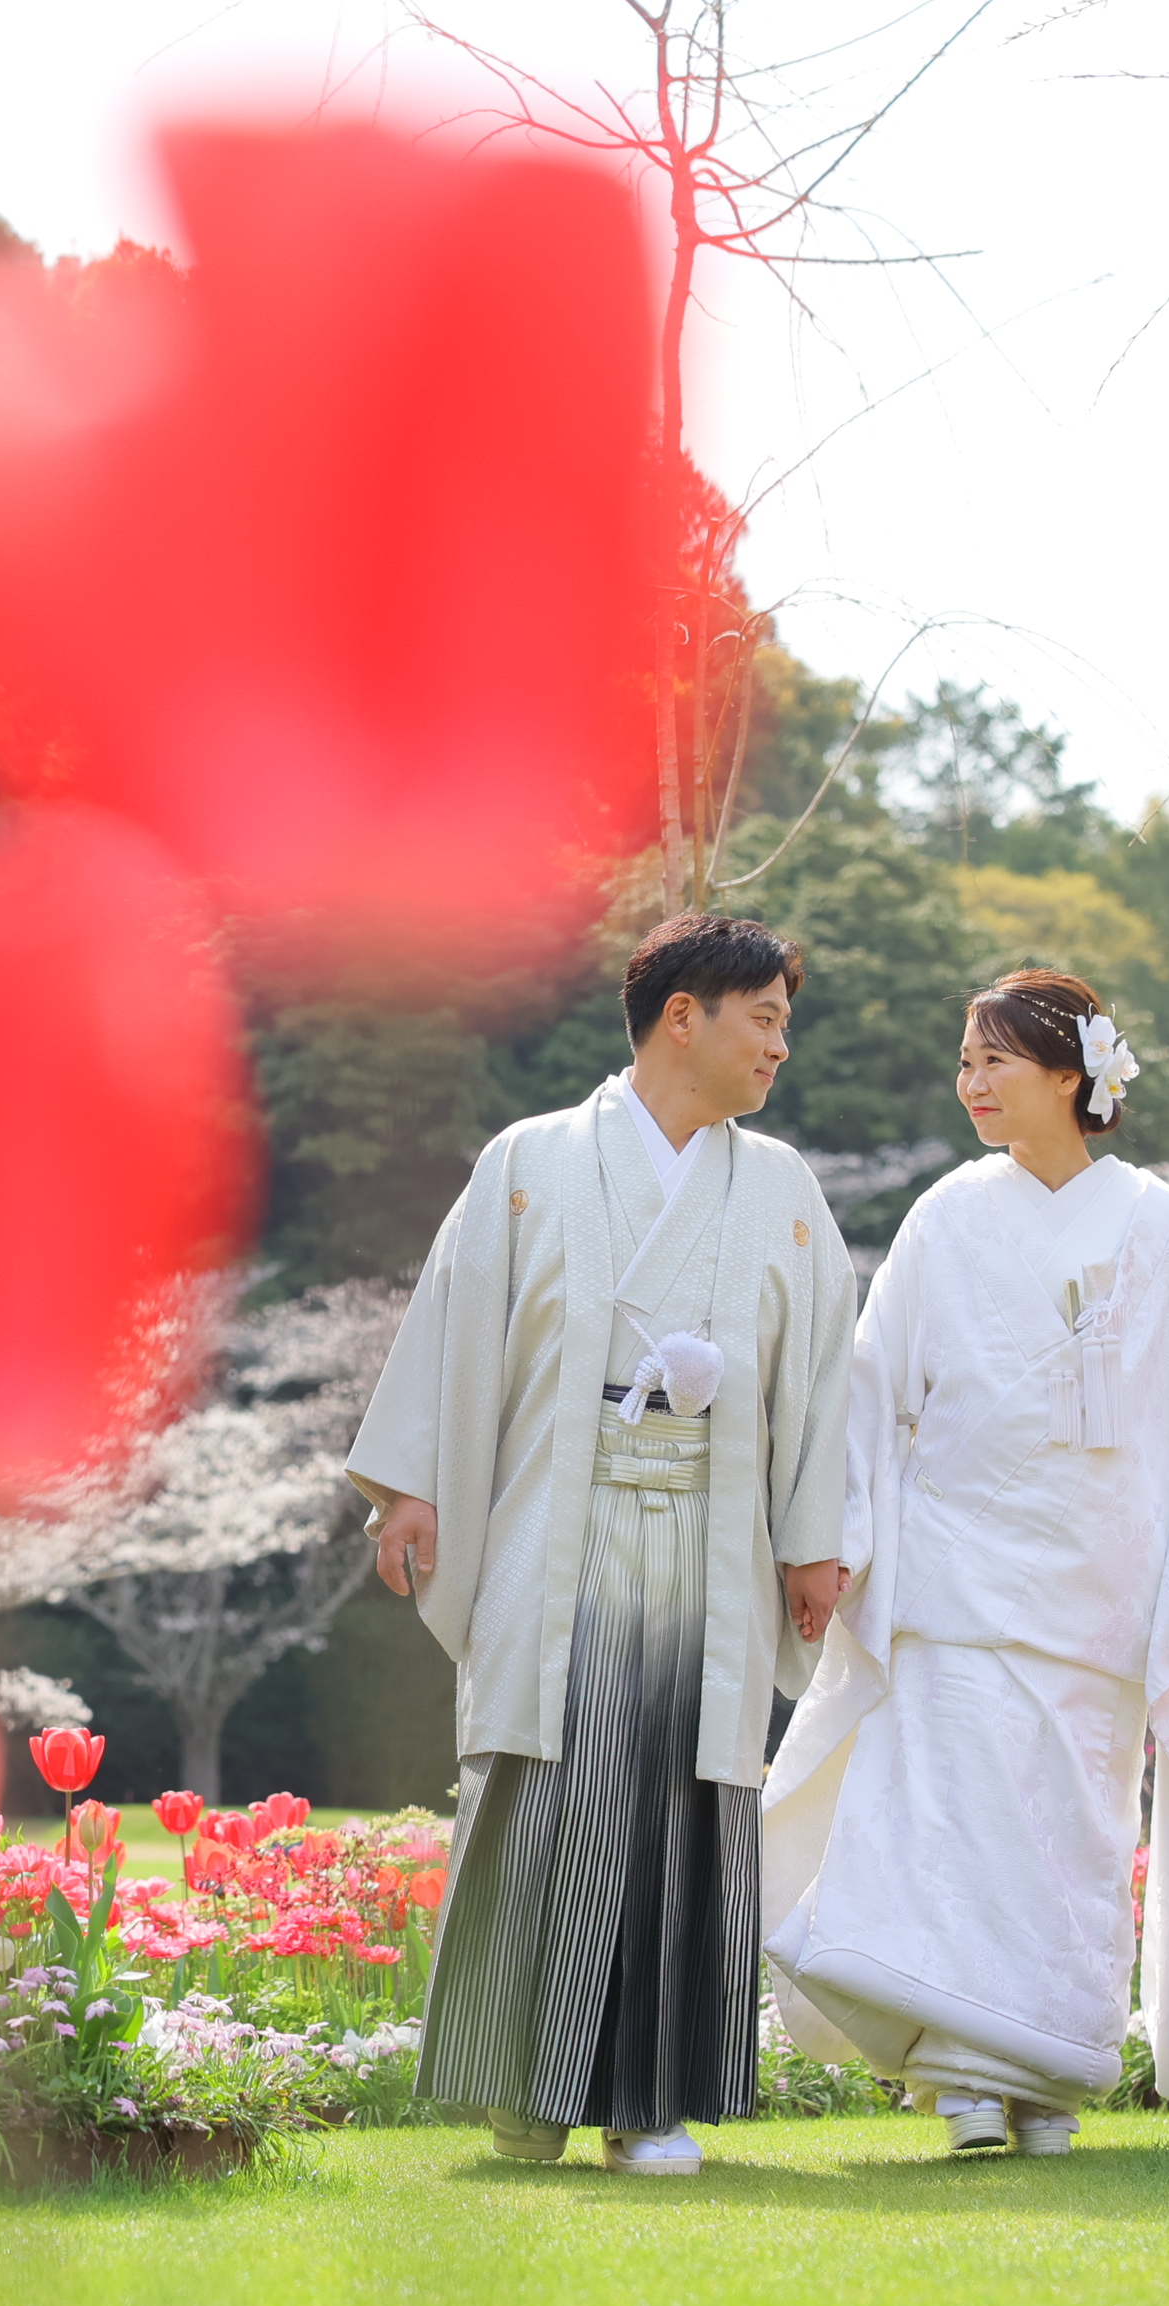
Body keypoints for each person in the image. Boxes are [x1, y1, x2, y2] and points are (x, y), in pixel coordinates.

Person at [762, 970, 1169, 2159]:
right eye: (965, 1061)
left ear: (1072, 1073)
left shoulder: (1154, 1218)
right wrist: (840, 1536)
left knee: (1073, 1827)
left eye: (994, 1060)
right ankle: (963, 2080)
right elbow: (871, 1378)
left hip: (1103, 1569)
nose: (972, 1083)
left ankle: (1051, 2066)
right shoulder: (948, 1212)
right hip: (958, 1559)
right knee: (947, 1812)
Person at [348, 914, 854, 2177]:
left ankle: (650, 2099)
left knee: (685, 1799)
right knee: (549, 1778)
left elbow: (823, 1376)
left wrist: (812, 1541)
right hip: (555, 1517)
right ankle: (528, 2090)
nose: (780, 1046)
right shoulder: (530, 1161)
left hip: (709, 1527)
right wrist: (410, 1485)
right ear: (683, 1013)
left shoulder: (780, 1185)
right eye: (765, 1017)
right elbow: (453, 1320)